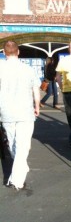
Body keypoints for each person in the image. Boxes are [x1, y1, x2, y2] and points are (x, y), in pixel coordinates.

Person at [0, 40, 40, 190]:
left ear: (4, 52)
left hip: (6, 111)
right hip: (25, 111)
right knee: (23, 146)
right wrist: (37, 106)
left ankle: (18, 173)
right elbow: (35, 89)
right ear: (18, 52)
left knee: (12, 144)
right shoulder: (28, 69)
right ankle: (17, 178)